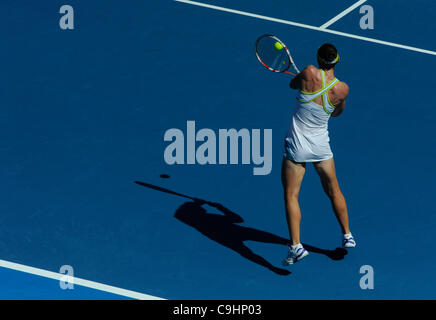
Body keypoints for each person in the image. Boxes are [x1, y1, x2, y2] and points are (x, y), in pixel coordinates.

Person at [281, 43, 356, 266]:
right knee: (334, 190)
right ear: (337, 60)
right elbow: (337, 113)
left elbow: (292, 84)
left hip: (297, 146)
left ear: (318, 58)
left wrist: (303, 83)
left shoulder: (308, 73)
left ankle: (296, 246)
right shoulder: (342, 89)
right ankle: (347, 234)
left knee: (291, 195)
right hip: (321, 146)